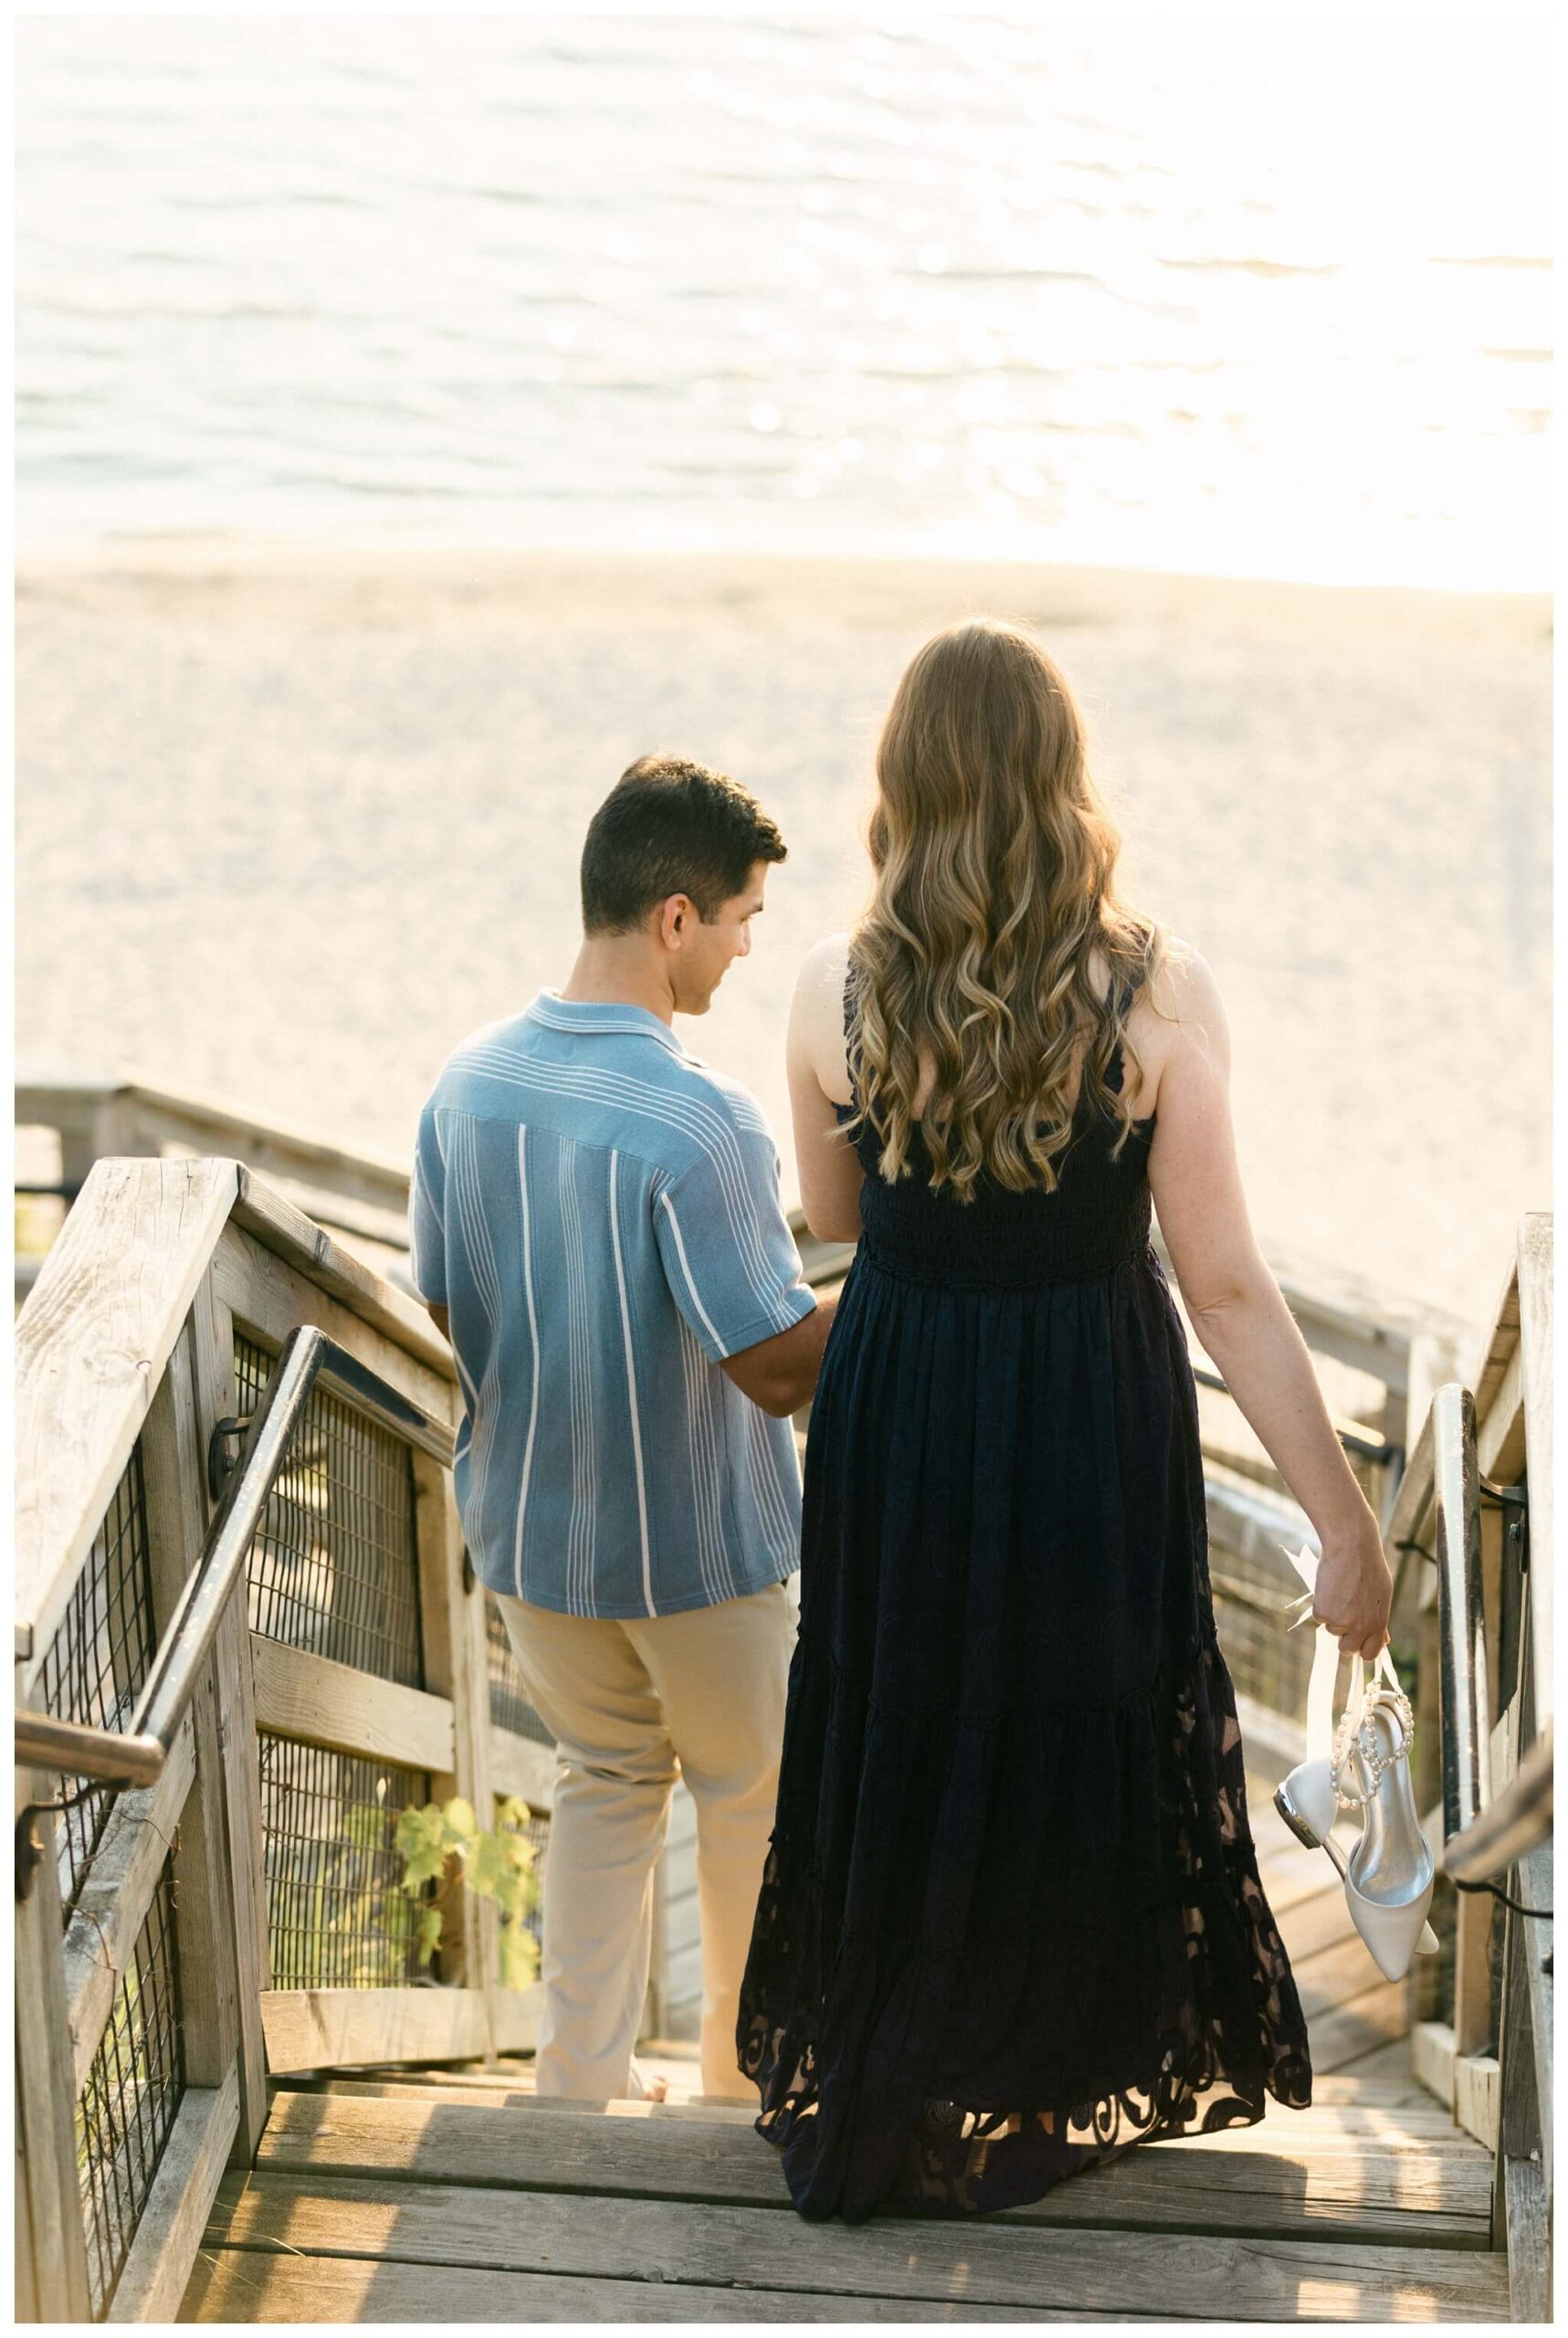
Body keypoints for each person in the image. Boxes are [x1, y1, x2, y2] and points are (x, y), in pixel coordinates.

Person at [736, 619, 1393, 2221]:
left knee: (912, 1697)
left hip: (904, 1394)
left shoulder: (835, 987)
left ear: (901, 785)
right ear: (1062, 779)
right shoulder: (1152, 987)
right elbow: (1223, 1286)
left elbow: (832, 1213)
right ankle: (1047, 2068)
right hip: (1083, 1398)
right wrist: (1341, 1521)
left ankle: (911, 2047)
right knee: (1074, 1702)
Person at [411, 753, 836, 2104]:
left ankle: (578, 2085)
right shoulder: (694, 1120)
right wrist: (900, 1290)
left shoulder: (463, 1086)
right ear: (671, 917)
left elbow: (440, 1297)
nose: (743, 945)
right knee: (747, 1802)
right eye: (739, 918)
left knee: (601, 1780)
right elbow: (774, 1368)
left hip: (532, 1541)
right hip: (699, 1553)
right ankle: (732, 2082)